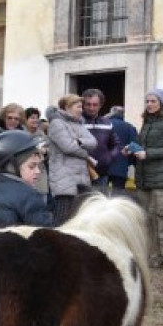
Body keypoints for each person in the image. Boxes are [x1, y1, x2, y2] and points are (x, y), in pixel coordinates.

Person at [124, 89, 163, 268]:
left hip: (162, 179)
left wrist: (147, 154)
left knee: (161, 217)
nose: (149, 104)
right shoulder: (148, 121)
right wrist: (132, 149)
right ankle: (150, 254)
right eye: (147, 101)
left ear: (162, 103)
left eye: (153, 101)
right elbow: (143, 146)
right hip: (145, 177)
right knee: (146, 218)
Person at [0, 130, 52, 233]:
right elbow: (46, 235)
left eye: (38, 166)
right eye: (32, 166)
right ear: (11, 167)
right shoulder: (28, 196)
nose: (38, 171)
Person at [46, 94, 97, 225]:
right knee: (62, 219)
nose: (81, 110)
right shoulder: (57, 124)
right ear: (67, 107)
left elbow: (94, 142)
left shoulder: (79, 124)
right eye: (78, 107)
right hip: (64, 179)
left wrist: (79, 141)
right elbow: (68, 147)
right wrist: (86, 155)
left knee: (77, 219)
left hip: (80, 179)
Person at [81, 89, 120, 190]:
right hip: (80, 173)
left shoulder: (107, 123)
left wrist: (109, 158)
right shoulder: (76, 122)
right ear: (83, 105)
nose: (91, 108)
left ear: (100, 105)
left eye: (95, 104)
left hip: (102, 174)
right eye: (88, 104)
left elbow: (116, 144)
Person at [107, 105, 137, 192]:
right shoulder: (130, 127)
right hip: (121, 167)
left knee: (101, 194)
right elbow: (133, 147)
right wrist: (129, 162)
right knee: (118, 195)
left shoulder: (103, 125)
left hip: (103, 167)